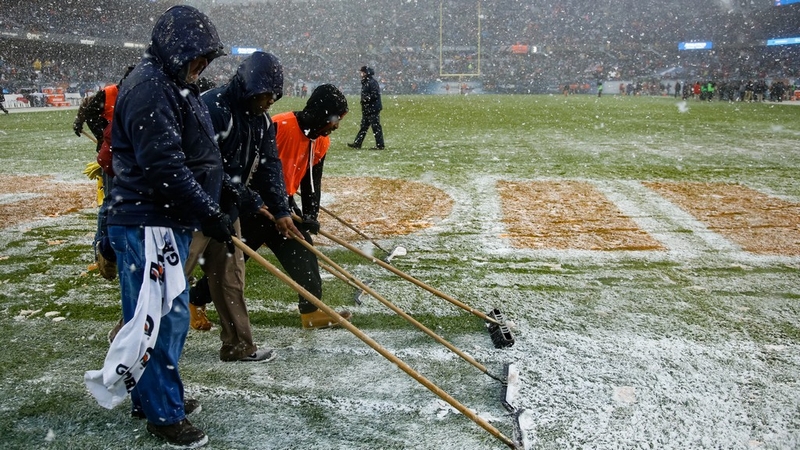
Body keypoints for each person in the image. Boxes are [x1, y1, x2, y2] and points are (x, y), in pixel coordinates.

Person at [84, 5, 227, 449]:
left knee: (163, 316)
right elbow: (164, 167)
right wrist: (209, 210)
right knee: (160, 320)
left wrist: (221, 198)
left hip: (161, 222)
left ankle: (153, 397)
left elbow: (192, 152)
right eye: (197, 59)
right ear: (176, 49)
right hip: (149, 222)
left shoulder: (168, 82)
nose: (200, 68)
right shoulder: (150, 88)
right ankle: (162, 412)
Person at [191, 83, 353, 330]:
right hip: (251, 202)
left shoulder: (320, 142)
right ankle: (195, 300)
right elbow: (256, 166)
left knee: (303, 250)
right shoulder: (281, 125)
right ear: (321, 112)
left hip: (280, 204)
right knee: (236, 259)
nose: (336, 126)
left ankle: (311, 312)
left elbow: (311, 181)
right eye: (334, 119)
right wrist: (258, 201)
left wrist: (309, 213)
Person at [185, 51, 301, 362]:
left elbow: (269, 166)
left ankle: (239, 346)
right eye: (264, 95)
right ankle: (133, 339)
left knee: (230, 281)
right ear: (248, 86)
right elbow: (210, 167)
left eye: (273, 97)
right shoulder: (212, 108)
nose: (268, 103)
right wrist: (250, 200)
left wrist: (280, 210)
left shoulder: (261, 120)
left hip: (227, 212)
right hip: (194, 209)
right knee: (169, 280)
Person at [347, 66, 384, 150]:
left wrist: (366, 99)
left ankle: (380, 145)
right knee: (365, 126)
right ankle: (358, 143)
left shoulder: (371, 82)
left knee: (375, 127)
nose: (361, 74)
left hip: (372, 109)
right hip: (369, 108)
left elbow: (375, 95)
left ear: (366, 73)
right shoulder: (368, 82)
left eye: (362, 72)